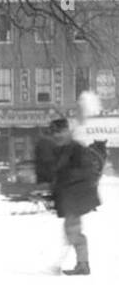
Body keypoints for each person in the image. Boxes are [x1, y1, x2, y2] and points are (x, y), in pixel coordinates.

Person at [49, 116, 102, 275]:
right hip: (71, 197)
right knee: (70, 231)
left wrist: (65, 179)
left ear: (67, 131)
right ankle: (82, 263)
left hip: (77, 197)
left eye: (60, 132)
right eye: (54, 133)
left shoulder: (77, 149)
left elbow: (86, 172)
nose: (57, 136)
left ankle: (83, 265)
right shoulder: (65, 149)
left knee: (73, 231)